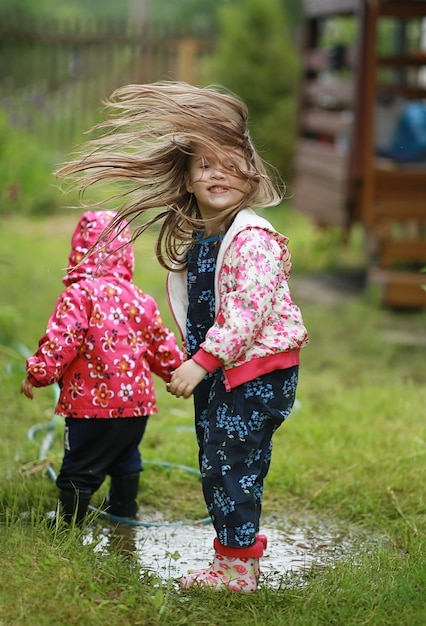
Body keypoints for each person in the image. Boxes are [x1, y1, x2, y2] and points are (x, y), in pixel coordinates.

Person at [53, 82, 309, 591]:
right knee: (218, 459)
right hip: (227, 372)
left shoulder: (251, 239)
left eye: (231, 162)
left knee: (229, 461)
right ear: (188, 180)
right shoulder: (206, 238)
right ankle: (235, 557)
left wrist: (203, 362)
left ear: (252, 174)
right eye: (205, 165)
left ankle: (236, 568)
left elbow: (247, 313)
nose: (219, 173)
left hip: (249, 373)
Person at [20, 210, 183, 526]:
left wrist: (39, 371)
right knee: (126, 458)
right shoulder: (140, 299)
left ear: (79, 249)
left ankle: (69, 524)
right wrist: (176, 373)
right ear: (127, 252)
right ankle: (123, 510)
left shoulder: (78, 295)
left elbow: (62, 340)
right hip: (136, 407)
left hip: (90, 408)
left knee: (80, 466)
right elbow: (160, 344)